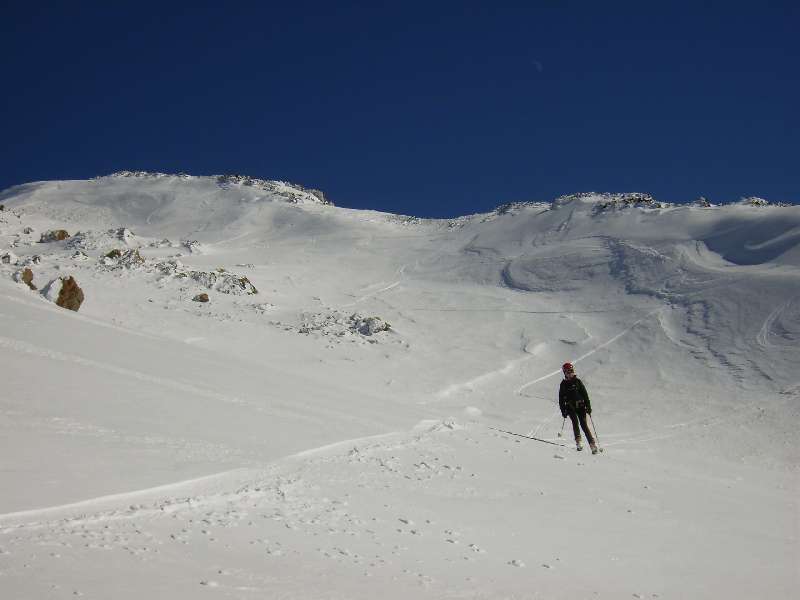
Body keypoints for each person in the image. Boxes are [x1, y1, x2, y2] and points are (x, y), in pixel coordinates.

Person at [558, 362, 598, 454]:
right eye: (568, 372)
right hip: (570, 407)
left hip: (581, 406)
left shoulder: (578, 382)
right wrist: (563, 410)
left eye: (571, 371)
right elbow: (561, 399)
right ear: (564, 373)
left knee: (584, 425)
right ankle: (578, 442)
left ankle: (592, 444)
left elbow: (585, 395)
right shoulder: (563, 384)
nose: (570, 373)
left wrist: (588, 406)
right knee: (575, 423)